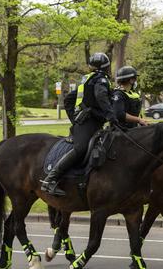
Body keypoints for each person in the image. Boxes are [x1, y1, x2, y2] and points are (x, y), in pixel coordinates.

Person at [41, 52, 119, 196]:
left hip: (90, 122)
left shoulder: (88, 80)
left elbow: (69, 100)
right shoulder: (100, 80)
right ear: (105, 67)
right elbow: (101, 96)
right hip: (88, 124)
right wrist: (110, 116)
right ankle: (50, 179)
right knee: (81, 149)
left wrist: (75, 119)